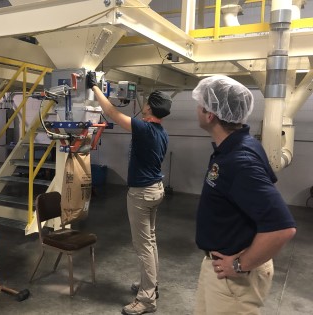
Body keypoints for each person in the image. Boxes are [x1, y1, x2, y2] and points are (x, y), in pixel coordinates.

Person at [192, 75, 297, 315]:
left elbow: (282, 228)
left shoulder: (240, 160)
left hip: (234, 278)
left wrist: (240, 264)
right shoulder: (237, 146)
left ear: (210, 114)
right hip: (218, 267)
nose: (197, 109)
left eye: (200, 104)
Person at [86, 72, 171, 315]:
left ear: (150, 108)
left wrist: (94, 87)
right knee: (151, 242)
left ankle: (147, 299)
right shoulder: (162, 132)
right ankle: (150, 284)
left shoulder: (145, 128)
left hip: (142, 194)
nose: (142, 104)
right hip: (156, 190)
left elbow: (112, 114)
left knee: (143, 246)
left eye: (146, 102)